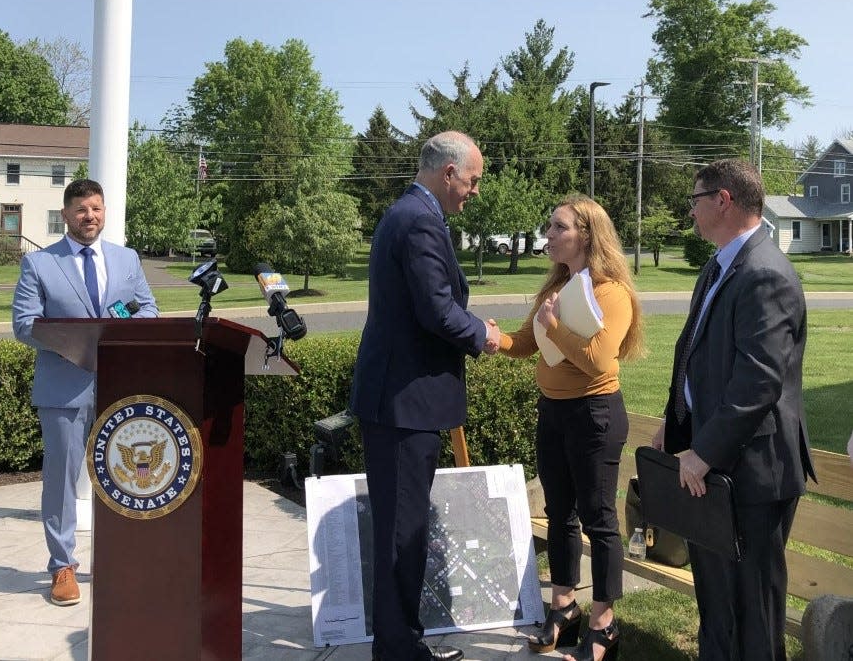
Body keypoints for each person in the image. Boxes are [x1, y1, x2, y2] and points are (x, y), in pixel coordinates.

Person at [653, 159, 816, 661]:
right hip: (711, 465)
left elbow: (758, 382)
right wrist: (674, 419)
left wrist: (704, 451)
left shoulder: (766, 274)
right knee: (717, 604)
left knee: (753, 611)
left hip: (753, 474)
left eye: (695, 199)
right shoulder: (720, 264)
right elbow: (693, 351)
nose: (691, 210)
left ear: (722, 200)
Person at [349, 131, 501, 661]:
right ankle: (397, 650)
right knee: (400, 532)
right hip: (402, 403)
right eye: (473, 180)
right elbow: (436, 310)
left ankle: (402, 642)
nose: (474, 191)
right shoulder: (418, 220)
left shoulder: (413, 213)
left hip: (402, 402)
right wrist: (486, 334)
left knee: (404, 526)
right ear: (449, 173)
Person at [495, 194, 643, 661]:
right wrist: (488, 336)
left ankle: (604, 624)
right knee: (560, 515)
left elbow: (600, 359)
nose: (549, 234)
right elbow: (524, 342)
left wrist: (555, 327)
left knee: (600, 521)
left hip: (594, 414)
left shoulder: (611, 292)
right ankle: (564, 608)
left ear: (586, 234)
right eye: (550, 226)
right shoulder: (557, 286)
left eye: (558, 227)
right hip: (553, 412)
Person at [12, 179, 158, 606]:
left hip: (120, 387)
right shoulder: (39, 264)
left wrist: (123, 325)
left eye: (95, 208)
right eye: (80, 210)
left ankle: (122, 557)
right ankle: (62, 565)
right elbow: (24, 325)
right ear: (66, 214)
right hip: (63, 389)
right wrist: (76, 341)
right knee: (61, 481)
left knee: (125, 475)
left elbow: (148, 308)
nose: (89, 216)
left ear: (104, 210)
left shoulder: (127, 259)